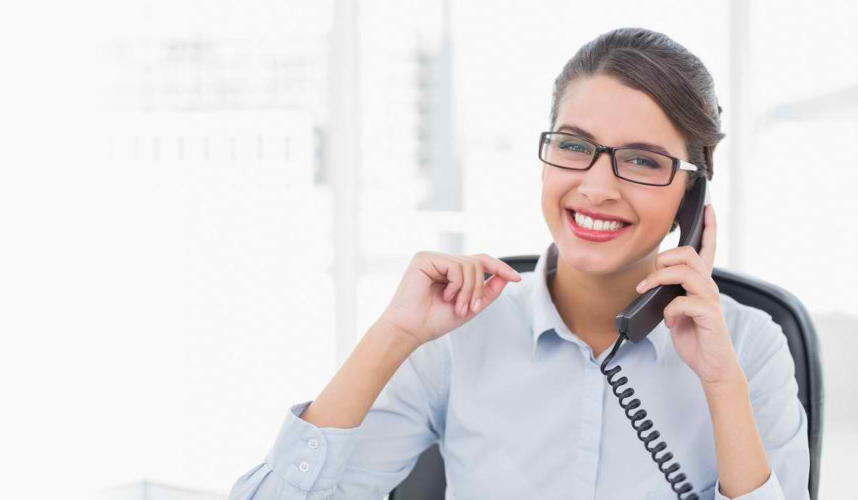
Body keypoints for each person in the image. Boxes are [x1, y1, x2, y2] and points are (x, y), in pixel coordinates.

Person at [229, 27, 808, 500]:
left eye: (642, 159)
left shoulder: (748, 347)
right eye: (575, 146)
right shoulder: (460, 332)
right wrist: (393, 337)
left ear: (691, 193)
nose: (598, 187)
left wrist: (719, 383)